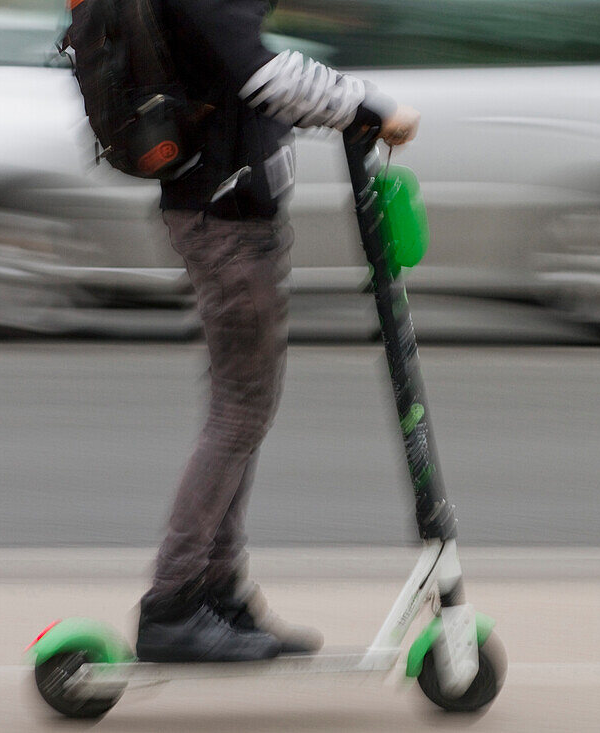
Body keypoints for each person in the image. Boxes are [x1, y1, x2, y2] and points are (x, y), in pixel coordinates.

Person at [134, 0, 420, 663]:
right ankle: (174, 602)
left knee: (240, 411)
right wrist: (369, 106)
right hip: (226, 218)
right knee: (238, 414)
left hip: (229, 210)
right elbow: (266, 77)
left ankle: (215, 590)